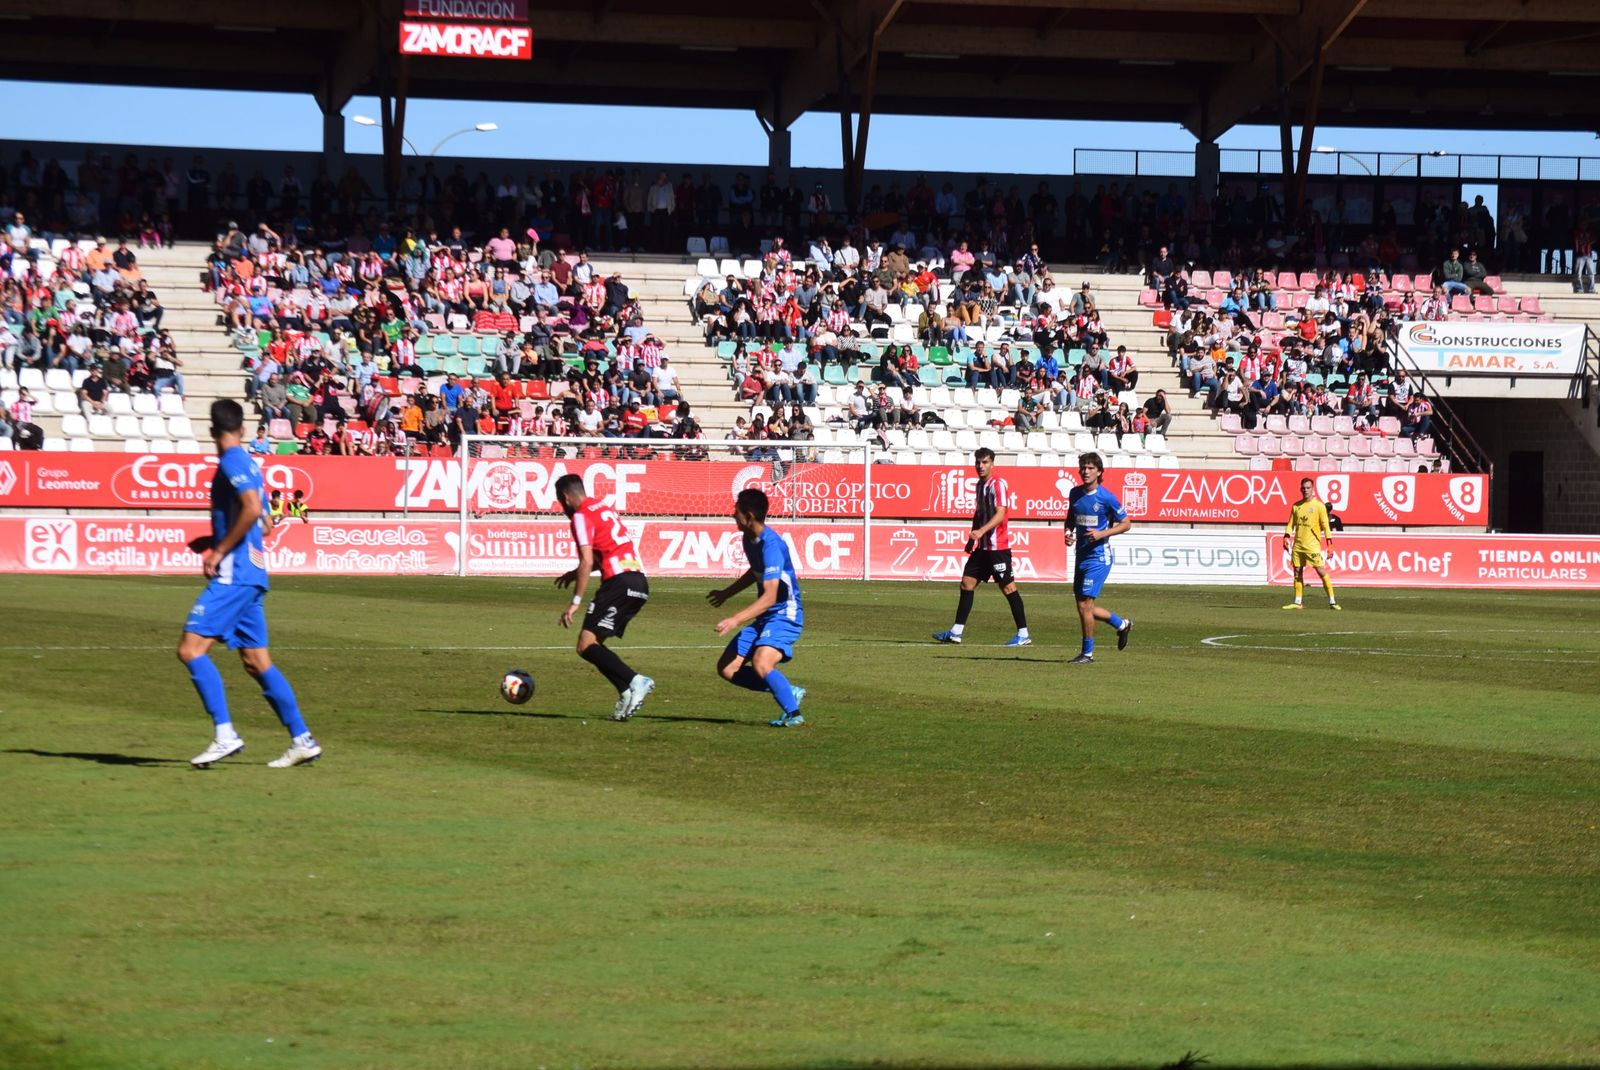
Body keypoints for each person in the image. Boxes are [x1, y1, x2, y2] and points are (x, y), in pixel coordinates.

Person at [180, 399, 322, 769]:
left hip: (236, 573)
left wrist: (219, 550)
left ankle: (225, 734)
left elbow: (253, 510)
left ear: (212, 432)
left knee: (191, 649)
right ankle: (302, 739)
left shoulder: (230, 462)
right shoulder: (249, 463)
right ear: (242, 430)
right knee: (256, 661)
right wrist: (219, 541)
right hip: (253, 572)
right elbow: (266, 523)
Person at [553, 473, 656, 721]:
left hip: (618, 583)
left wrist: (574, 602)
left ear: (566, 498)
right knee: (592, 644)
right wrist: (573, 573)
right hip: (638, 581)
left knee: (586, 645)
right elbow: (609, 552)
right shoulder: (602, 507)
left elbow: (587, 560)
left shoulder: (580, 516)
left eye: (560, 501)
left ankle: (636, 681)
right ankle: (625, 692)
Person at [707, 488, 808, 728]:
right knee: (728, 668)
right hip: (765, 616)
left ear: (749, 516)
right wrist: (726, 593)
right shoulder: (748, 538)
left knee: (762, 663)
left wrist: (735, 619)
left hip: (785, 613)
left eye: (737, 510)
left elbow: (771, 596)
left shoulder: (772, 546)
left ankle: (795, 716)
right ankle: (787, 690)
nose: (733, 514)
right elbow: (755, 573)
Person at [932, 448, 1030, 647]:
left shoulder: (998, 485)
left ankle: (1023, 634)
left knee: (1008, 588)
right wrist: (973, 536)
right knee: (966, 584)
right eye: (978, 462)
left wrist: (981, 531)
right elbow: (979, 513)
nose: (980, 466)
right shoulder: (979, 485)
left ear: (992, 464)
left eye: (985, 462)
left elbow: (1000, 514)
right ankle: (956, 632)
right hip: (983, 548)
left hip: (998, 549)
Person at [1064, 452, 1133, 665]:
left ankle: (1088, 653)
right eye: (1083, 467)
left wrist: (1101, 534)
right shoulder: (1074, 493)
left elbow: (1126, 523)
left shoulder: (1106, 497)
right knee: (1084, 607)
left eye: (1090, 468)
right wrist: (1068, 534)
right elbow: (1070, 519)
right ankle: (1121, 624)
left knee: (1085, 605)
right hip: (1082, 555)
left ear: (1099, 472)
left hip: (1099, 557)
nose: (1086, 471)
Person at [1282, 477, 1340, 611]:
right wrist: (1286, 536)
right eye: (1303, 488)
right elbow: (1291, 524)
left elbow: (1326, 526)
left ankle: (1332, 602)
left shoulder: (1319, 506)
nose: (1305, 490)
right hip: (1298, 545)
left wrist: (1330, 545)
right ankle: (1297, 602)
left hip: (1312, 546)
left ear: (1312, 489)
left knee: (1321, 571)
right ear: (1300, 489)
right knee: (1297, 572)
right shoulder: (1296, 506)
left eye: (1308, 488)